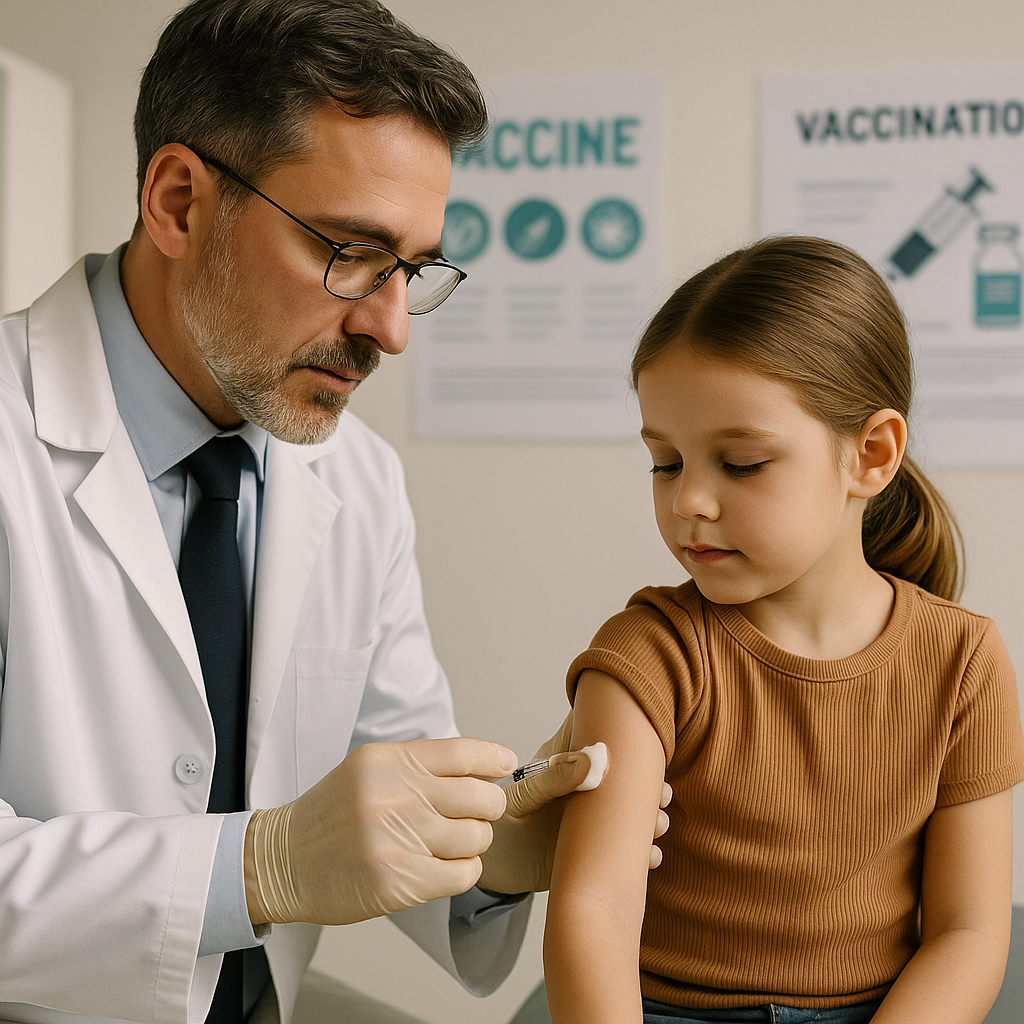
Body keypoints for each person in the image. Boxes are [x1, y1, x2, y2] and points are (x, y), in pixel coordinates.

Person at [0, 2, 670, 1023]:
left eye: (411, 270)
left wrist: (498, 846)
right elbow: (301, 853)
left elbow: (386, 783)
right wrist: (259, 864)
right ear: (179, 204)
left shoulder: (356, 479)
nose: (391, 329)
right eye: (351, 251)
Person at [543, 236, 1024, 1024]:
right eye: (666, 462)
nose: (688, 501)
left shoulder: (965, 661)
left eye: (740, 463)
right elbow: (594, 912)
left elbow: (967, 934)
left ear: (870, 455)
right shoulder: (647, 656)